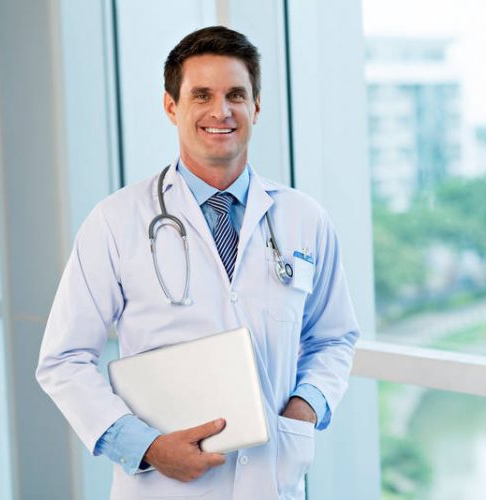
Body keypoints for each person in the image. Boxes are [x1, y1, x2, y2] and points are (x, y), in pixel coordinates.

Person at [36, 26, 359, 500]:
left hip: (273, 479)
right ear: (172, 107)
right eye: (201, 95)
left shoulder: (303, 218)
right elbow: (63, 360)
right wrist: (146, 446)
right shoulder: (116, 220)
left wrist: (304, 408)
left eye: (236, 95)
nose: (220, 111)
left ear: (257, 106)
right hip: (163, 486)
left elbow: (334, 337)